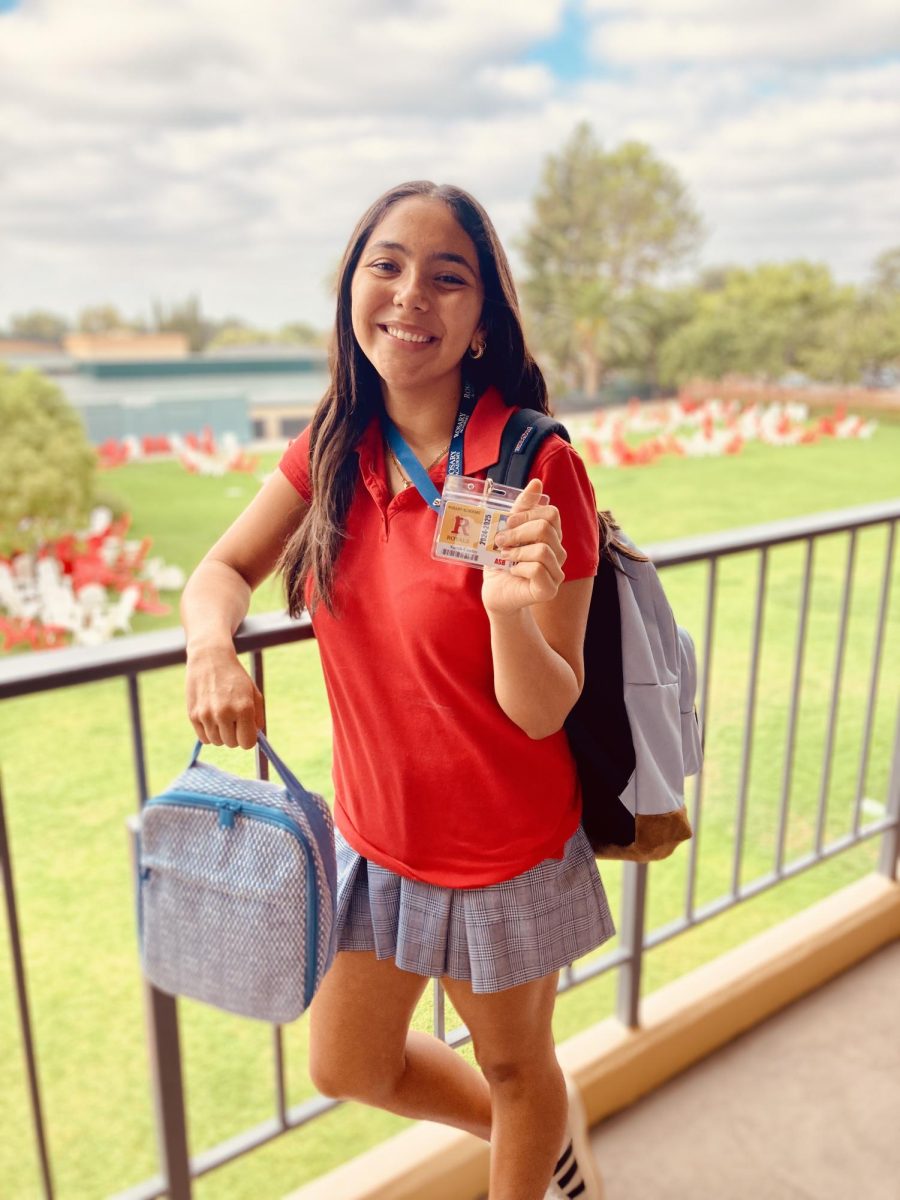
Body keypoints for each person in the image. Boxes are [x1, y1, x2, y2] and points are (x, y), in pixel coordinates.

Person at [181, 180, 615, 1200]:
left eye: (447, 277)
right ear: (353, 291)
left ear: (480, 322)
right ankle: (545, 1131)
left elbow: (546, 707)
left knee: (515, 1064)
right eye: (387, 265)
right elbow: (220, 573)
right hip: (376, 844)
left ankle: (536, 1130)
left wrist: (510, 607)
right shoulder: (333, 446)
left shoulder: (534, 464)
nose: (411, 294)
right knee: (349, 1065)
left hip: (504, 849)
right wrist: (211, 646)